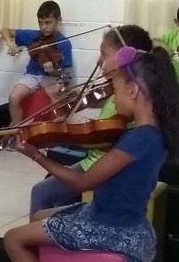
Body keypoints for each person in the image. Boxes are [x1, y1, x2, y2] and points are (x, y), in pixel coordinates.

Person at [3, 46, 179, 262]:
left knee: (13, 239)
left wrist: (37, 155)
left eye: (116, 85)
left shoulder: (138, 139)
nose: (113, 93)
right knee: (39, 217)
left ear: (133, 91)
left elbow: (81, 182)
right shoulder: (155, 133)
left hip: (109, 227)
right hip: (123, 218)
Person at [28, 25, 153, 219]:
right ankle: (60, 240)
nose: (99, 62)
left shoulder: (130, 99)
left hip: (100, 167)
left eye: (104, 55)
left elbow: (106, 140)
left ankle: (42, 244)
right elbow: (89, 102)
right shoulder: (121, 89)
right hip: (94, 160)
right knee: (61, 197)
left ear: (124, 57)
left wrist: (62, 136)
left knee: (40, 192)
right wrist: (62, 103)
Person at [0, 0, 74, 127]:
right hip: (32, 75)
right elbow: (4, 30)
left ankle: (53, 132)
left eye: (48, 23)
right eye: (40, 23)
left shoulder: (64, 43)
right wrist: (11, 43)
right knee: (13, 97)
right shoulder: (33, 36)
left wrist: (52, 71)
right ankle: (18, 134)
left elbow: (65, 74)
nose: (43, 27)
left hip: (52, 77)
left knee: (57, 98)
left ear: (59, 20)